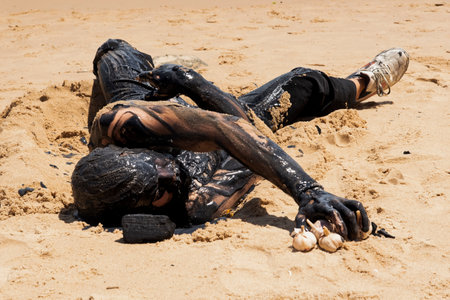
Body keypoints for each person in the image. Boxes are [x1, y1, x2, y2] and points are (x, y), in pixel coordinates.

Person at [71, 39, 409, 241]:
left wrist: (307, 190)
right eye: (162, 189)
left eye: (160, 165)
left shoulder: (123, 124)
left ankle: (158, 76)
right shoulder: (198, 205)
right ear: (139, 207)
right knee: (301, 83)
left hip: (158, 107)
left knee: (114, 52)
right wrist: (201, 89)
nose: (171, 175)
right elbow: (246, 130)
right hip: (224, 131)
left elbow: (223, 128)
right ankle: (363, 82)